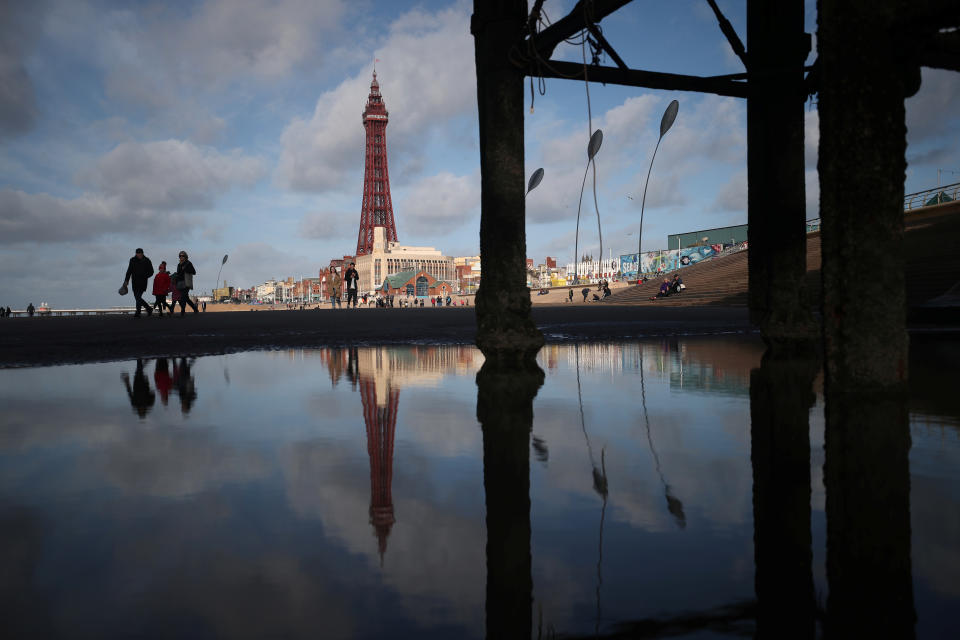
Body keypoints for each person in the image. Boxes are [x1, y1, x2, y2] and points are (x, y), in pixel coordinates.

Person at [123, 247, 155, 318]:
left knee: (138, 296)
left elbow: (151, 272)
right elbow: (129, 271)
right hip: (134, 282)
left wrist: (145, 276)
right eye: (138, 254)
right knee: (137, 297)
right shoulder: (132, 260)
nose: (139, 255)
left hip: (143, 282)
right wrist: (126, 281)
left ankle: (138, 312)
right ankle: (148, 308)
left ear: (142, 253)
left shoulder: (147, 260)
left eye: (140, 253)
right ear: (136, 254)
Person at [174, 250, 199, 316]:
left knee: (183, 297)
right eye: (180, 256)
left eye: (183, 256)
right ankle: (195, 308)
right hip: (180, 282)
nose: (181, 257)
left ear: (185, 256)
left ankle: (182, 311)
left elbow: (194, 272)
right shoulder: (179, 265)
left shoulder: (188, 263)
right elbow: (179, 273)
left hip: (186, 282)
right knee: (186, 298)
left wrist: (185, 269)